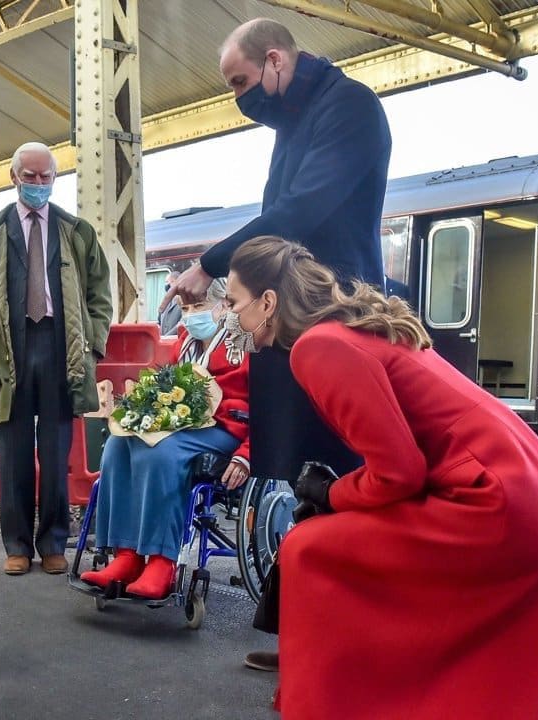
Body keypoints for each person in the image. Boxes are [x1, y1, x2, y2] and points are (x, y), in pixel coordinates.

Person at [225, 235, 538, 720]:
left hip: (493, 498)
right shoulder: (350, 329)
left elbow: (398, 474)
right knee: (337, 542)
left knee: (308, 547)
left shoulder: (316, 348)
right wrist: (340, 497)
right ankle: (332, 670)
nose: (229, 316)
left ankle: (324, 689)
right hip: (528, 486)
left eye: (233, 302)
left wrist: (331, 493)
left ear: (267, 302)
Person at [162, 15, 395, 674]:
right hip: (303, 316)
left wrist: (211, 264)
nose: (241, 97)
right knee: (307, 480)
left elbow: (299, 212)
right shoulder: (299, 118)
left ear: (275, 61)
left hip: (337, 312)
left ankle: (352, 641)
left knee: (343, 477)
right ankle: (312, 638)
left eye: (242, 81)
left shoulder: (349, 108)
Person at [0, 141, 112, 576]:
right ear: (14, 177)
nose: (39, 184)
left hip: (63, 349)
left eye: (46, 177)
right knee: (13, 453)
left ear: (55, 179)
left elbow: (101, 297)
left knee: (57, 451)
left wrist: (92, 348)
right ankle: (17, 545)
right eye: (31, 176)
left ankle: (54, 542)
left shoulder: (78, 232)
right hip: (9, 354)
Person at [80, 278, 250, 599]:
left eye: (198, 307)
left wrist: (247, 454)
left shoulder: (243, 342)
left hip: (226, 430)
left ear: (224, 305)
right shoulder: (185, 341)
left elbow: (267, 410)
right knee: (119, 443)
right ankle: (126, 556)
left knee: (160, 451)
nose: (190, 315)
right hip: (182, 425)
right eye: (185, 308)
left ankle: (162, 560)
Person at [157, 271, 182, 335]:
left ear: (175, 282)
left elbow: (183, 323)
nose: (166, 285)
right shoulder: (165, 302)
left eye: (168, 282)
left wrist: (167, 337)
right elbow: (159, 321)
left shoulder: (185, 301)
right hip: (164, 341)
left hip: (176, 340)